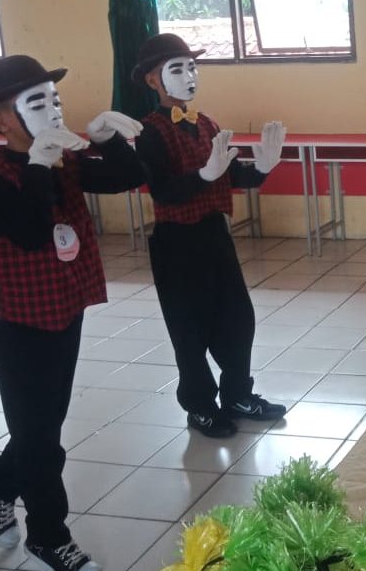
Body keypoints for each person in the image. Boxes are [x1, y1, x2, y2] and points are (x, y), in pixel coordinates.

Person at [0, 55, 145, 571]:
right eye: (38, 103)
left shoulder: (65, 162)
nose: (56, 111)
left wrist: (107, 140)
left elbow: (129, 176)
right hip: (18, 323)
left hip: (63, 308)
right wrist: (39, 165)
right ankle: (48, 535)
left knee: (42, 424)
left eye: (56, 100)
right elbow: (29, 230)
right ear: (2, 120)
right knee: (41, 437)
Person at [132, 33, 287, 438]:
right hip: (176, 242)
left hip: (214, 233)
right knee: (189, 329)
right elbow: (163, 191)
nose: (190, 76)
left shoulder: (206, 123)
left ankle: (237, 395)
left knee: (238, 319)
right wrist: (203, 175)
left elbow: (231, 175)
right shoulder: (149, 132)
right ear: (153, 80)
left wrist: (262, 168)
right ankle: (199, 405)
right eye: (177, 69)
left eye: (192, 67)